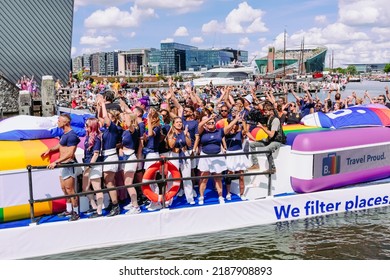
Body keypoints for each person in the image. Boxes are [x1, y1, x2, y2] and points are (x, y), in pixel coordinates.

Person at [41, 114, 81, 221]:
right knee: (64, 189)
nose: (57, 122)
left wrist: (56, 162)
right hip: (62, 165)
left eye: (59, 121)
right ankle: (68, 209)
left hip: (68, 164)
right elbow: (60, 145)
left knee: (70, 189)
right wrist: (50, 150)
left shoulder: (72, 135)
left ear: (65, 122)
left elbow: (70, 153)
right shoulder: (64, 134)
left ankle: (76, 212)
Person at [96, 95, 121, 217]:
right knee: (108, 182)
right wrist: (100, 106)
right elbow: (100, 117)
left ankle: (115, 205)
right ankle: (113, 202)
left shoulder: (114, 128)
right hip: (105, 156)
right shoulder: (106, 129)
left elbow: (104, 117)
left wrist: (103, 103)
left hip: (111, 156)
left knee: (109, 182)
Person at [196, 114, 227, 205]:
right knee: (204, 178)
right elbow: (199, 125)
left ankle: (220, 196)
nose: (211, 124)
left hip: (217, 155)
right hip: (205, 156)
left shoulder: (219, 131)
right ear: (206, 124)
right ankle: (201, 196)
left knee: (218, 178)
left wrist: (236, 119)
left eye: (213, 123)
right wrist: (210, 118)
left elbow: (228, 127)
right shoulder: (202, 131)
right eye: (209, 123)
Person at [248, 102, 285, 172]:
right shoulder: (268, 119)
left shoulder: (275, 120)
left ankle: (272, 167)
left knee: (266, 149)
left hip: (277, 141)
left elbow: (271, 134)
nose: (264, 113)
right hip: (270, 140)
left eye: (266, 111)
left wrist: (262, 127)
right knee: (252, 144)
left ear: (271, 111)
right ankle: (256, 164)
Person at [166, 117, 194, 205]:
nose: (179, 124)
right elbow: (171, 146)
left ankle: (190, 198)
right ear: (173, 124)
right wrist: (174, 136)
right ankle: (169, 200)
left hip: (185, 154)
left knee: (187, 177)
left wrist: (186, 135)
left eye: (180, 122)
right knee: (171, 178)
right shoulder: (170, 134)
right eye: (177, 122)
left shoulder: (185, 132)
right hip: (174, 155)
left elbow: (189, 144)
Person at [224, 112, 250, 200]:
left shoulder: (239, 133)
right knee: (229, 174)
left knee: (241, 175)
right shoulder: (226, 133)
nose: (235, 125)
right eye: (233, 124)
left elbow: (245, 131)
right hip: (230, 155)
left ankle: (242, 194)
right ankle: (228, 193)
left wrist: (243, 121)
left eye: (236, 124)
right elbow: (226, 131)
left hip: (239, 154)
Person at [82, 117, 104, 218]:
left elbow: (96, 154)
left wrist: (90, 166)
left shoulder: (97, 137)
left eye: (87, 125)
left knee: (97, 188)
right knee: (85, 187)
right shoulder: (88, 137)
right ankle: (94, 205)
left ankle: (99, 210)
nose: (85, 127)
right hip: (87, 164)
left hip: (93, 165)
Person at [121, 112, 142, 214]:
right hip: (124, 157)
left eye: (126, 118)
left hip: (131, 157)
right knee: (127, 183)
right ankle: (132, 201)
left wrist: (127, 115)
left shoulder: (133, 130)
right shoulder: (125, 132)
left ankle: (136, 206)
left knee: (129, 183)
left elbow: (129, 125)